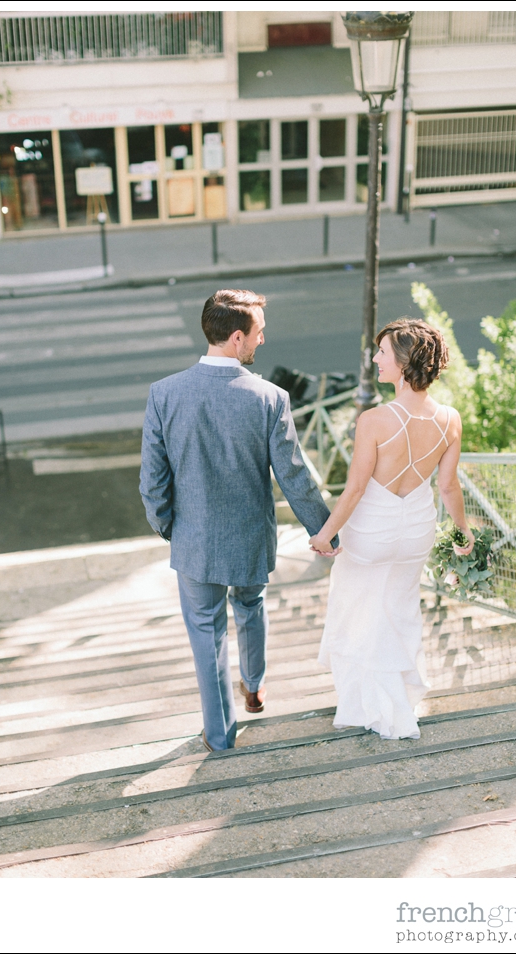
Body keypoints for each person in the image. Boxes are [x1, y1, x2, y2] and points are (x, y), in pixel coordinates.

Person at [140, 289, 336, 751]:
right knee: (250, 608)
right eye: (258, 333)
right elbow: (295, 476)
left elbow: (153, 480)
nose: (262, 341)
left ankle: (220, 734)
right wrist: (324, 529)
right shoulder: (270, 398)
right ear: (234, 338)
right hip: (249, 538)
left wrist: (170, 527)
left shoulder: (164, 394)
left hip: (195, 540)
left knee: (206, 633)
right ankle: (254, 685)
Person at [310, 317, 474, 740]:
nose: (375, 358)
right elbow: (448, 486)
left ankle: (371, 706)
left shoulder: (374, 420)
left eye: (382, 352)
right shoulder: (450, 419)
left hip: (372, 532)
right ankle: (397, 700)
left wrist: (325, 533)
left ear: (403, 363)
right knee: (400, 612)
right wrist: (462, 531)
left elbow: (356, 489)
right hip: (416, 529)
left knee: (359, 612)